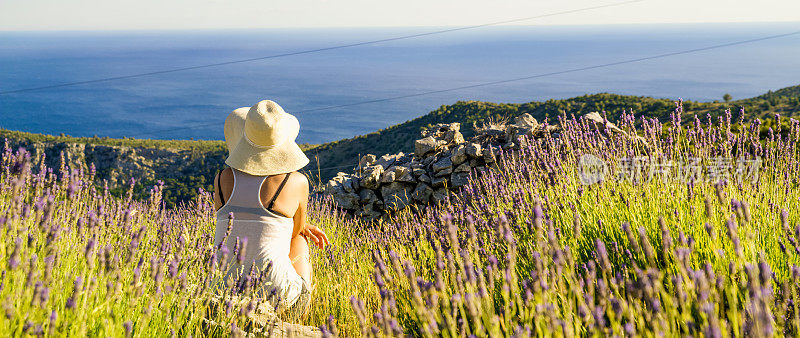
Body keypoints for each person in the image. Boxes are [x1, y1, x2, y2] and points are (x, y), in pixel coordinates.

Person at [213, 100, 329, 320]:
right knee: (300, 241)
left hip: (222, 294)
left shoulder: (222, 179)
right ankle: (294, 319)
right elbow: (296, 231)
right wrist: (302, 227)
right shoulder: (296, 181)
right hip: (278, 296)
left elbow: (232, 227)